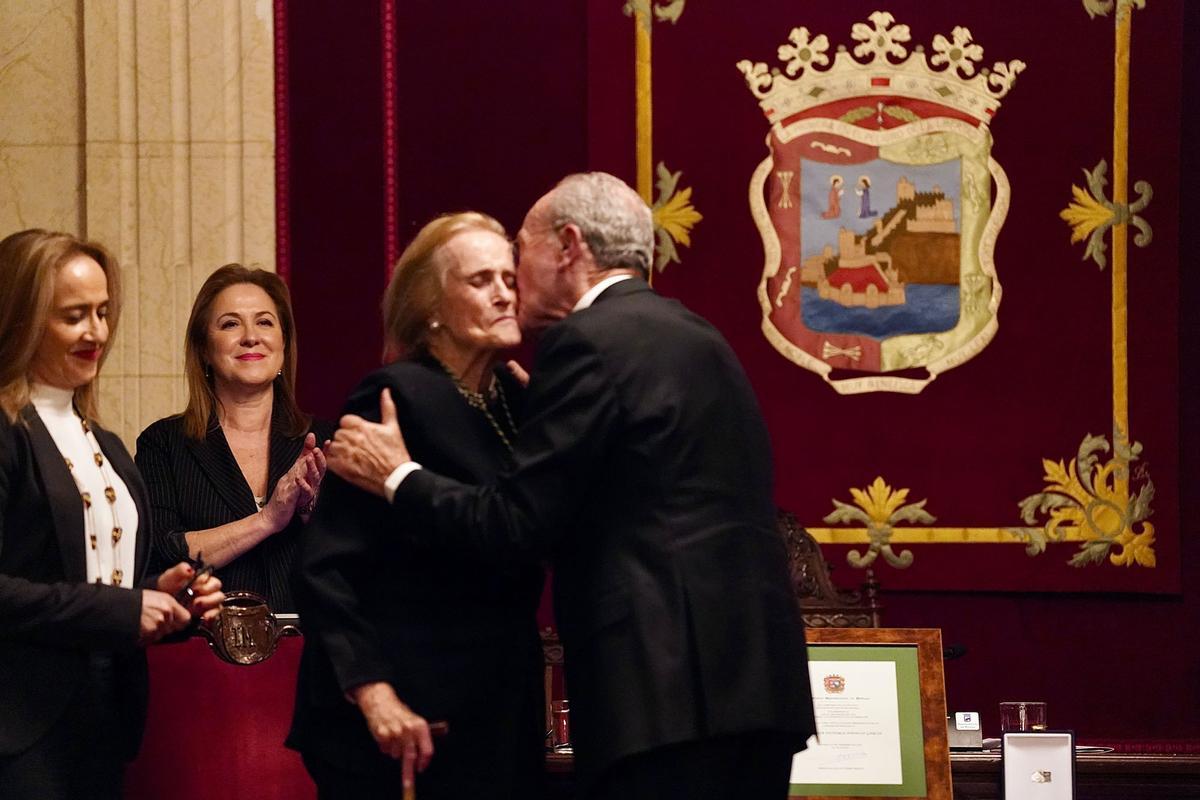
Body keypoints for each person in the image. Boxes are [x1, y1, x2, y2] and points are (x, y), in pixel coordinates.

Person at [326, 173, 817, 799]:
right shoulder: (699, 336)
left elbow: (516, 525)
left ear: (567, 246)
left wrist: (397, 475)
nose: (513, 280)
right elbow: (649, 490)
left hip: (665, 697)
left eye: (519, 251)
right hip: (758, 690)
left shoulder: (586, 342)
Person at [288, 212, 545, 799]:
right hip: (404, 720)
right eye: (481, 280)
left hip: (497, 712)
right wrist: (374, 693)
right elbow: (325, 567)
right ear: (432, 307)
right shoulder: (394, 395)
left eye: (509, 278)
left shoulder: (514, 398)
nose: (504, 293)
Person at [0, 229, 224, 799]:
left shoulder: (107, 443)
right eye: (73, 316)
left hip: (103, 716)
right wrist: (122, 608)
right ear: (21, 318)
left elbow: (96, 583)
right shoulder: (6, 429)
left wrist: (164, 599)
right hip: (18, 725)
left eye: (102, 312)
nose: (97, 332)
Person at [135, 265, 333, 612]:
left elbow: (363, 563)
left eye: (265, 322)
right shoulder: (163, 443)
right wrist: (266, 520)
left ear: (284, 343)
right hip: (206, 640)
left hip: (310, 641)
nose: (251, 337)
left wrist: (309, 513)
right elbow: (160, 555)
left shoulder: (327, 441)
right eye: (230, 324)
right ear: (204, 349)